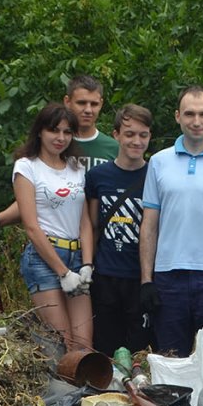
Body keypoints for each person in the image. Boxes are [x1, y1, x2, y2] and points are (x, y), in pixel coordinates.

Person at [139, 86, 203, 356]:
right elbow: (149, 225)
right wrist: (146, 280)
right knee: (171, 359)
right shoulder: (159, 162)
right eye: (189, 114)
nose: (196, 122)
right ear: (177, 116)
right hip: (167, 274)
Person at [0, 75, 118, 230]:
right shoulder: (52, 145)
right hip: (57, 240)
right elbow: (40, 198)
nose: (88, 110)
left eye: (94, 104)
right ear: (67, 101)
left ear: (101, 104)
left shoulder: (114, 149)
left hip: (103, 242)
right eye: (81, 103)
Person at [9, 103, 93, 351]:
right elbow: (31, 226)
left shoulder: (76, 167)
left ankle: (86, 390)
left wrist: (87, 263)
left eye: (67, 132)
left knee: (84, 346)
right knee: (62, 344)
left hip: (77, 256)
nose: (60, 138)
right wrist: (63, 272)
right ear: (40, 132)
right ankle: (64, 391)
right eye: (54, 130)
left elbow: (85, 220)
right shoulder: (26, 166)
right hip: (44, 259)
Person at [85, 104, 154, 356]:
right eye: (129, 134)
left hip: (141, 277)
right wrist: (88, 265)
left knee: (141, 351)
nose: (136, 141)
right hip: (106, 275)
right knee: (105, 348)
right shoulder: (98, 176)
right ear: (116, 135)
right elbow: (92, 225)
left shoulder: (156, 175)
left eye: (143, 135)